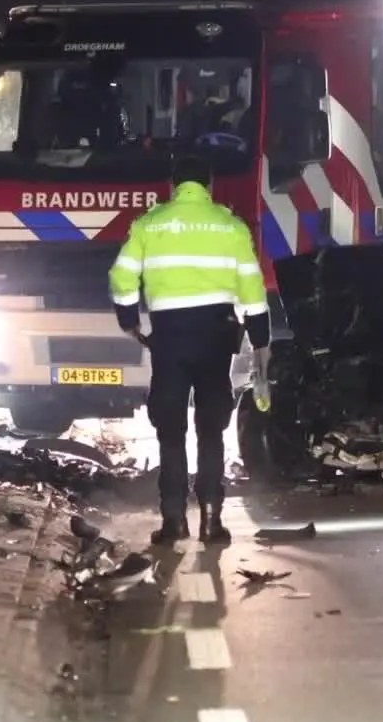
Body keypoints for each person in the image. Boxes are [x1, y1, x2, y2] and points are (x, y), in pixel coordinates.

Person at [109, 153, 271, 545]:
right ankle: (212, 521)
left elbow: (122, 275)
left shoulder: (150, 224)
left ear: (173, 186)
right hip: (216, 337)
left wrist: (129, 321)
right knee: (211, 429)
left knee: (170, 429)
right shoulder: (230, 226)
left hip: (169, 337)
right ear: (209, 186)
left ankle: (173, 521)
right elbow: (252, 287)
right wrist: (261, 340)